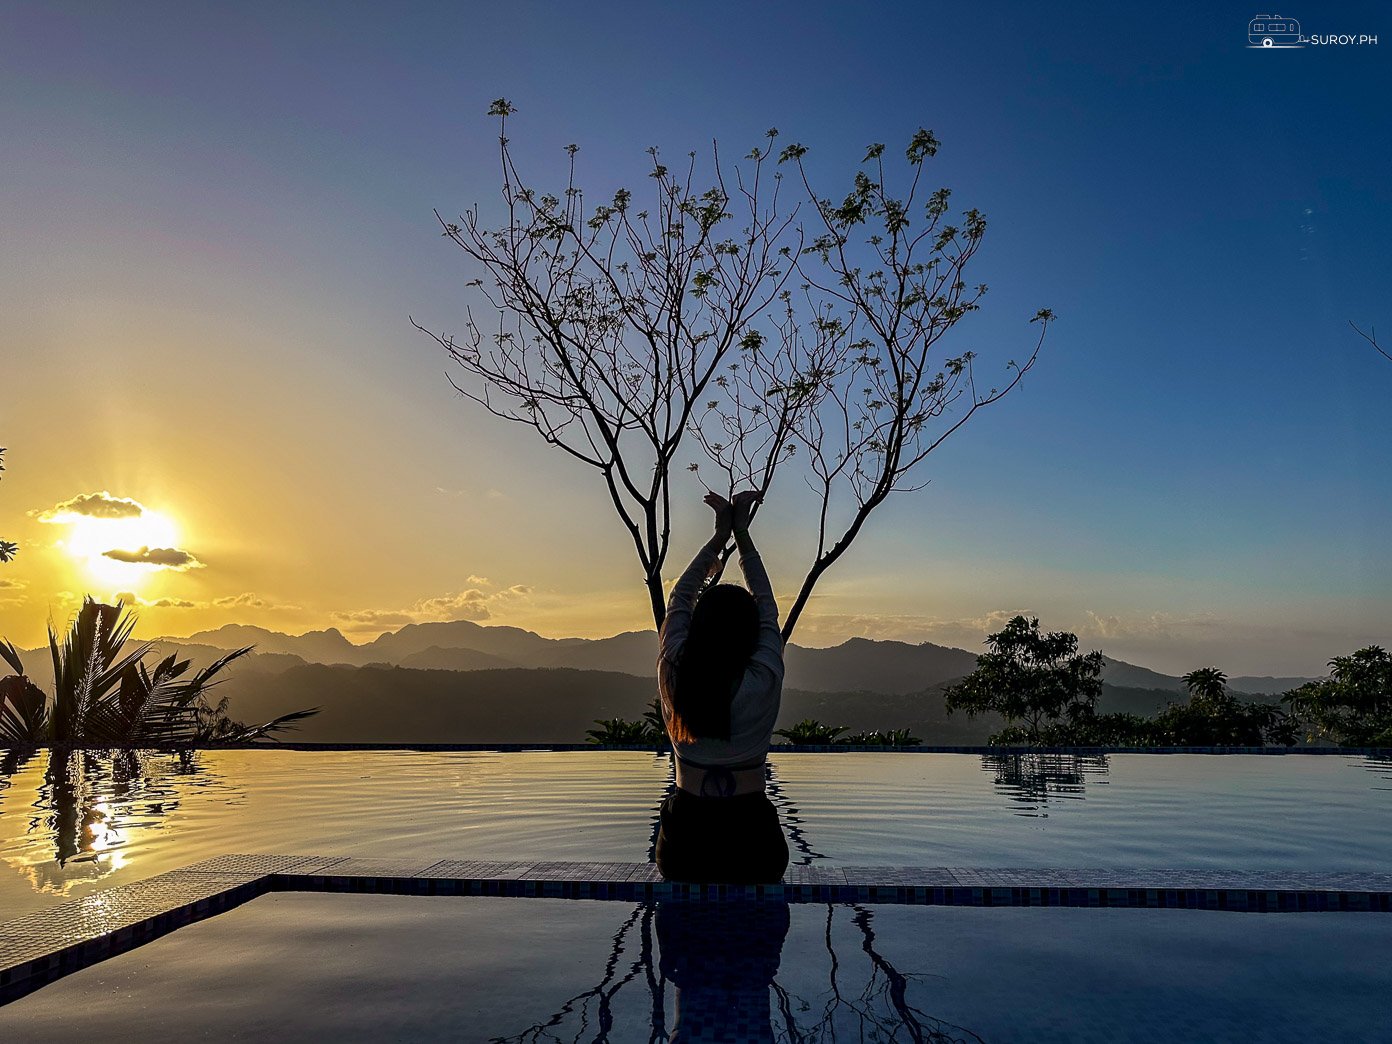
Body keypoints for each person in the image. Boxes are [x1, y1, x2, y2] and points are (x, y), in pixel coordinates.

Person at [654, 489, 789, 883]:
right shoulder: (762, 679)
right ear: (751, 635)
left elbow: (680, 597)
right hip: (754, 844)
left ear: (698, 629)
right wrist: (742, 535)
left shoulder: (674, 673)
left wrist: (718, 537)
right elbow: (767, 604)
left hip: (684, 845)